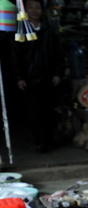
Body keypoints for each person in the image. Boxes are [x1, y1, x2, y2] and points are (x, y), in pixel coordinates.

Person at [13, 0, 63, 153]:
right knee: (33, 112)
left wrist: (57, 73)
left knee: (49, 110)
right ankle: (39, 142)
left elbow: (58, 54)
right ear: (24, 10)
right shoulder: (20, 30)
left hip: (48, 77)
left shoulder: (49, 30)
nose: (34, 10)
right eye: (30, 7)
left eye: (37, 7)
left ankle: (49, 141)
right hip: (29, 79)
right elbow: (15, 56)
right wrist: (18, 76)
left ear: (42, 11)